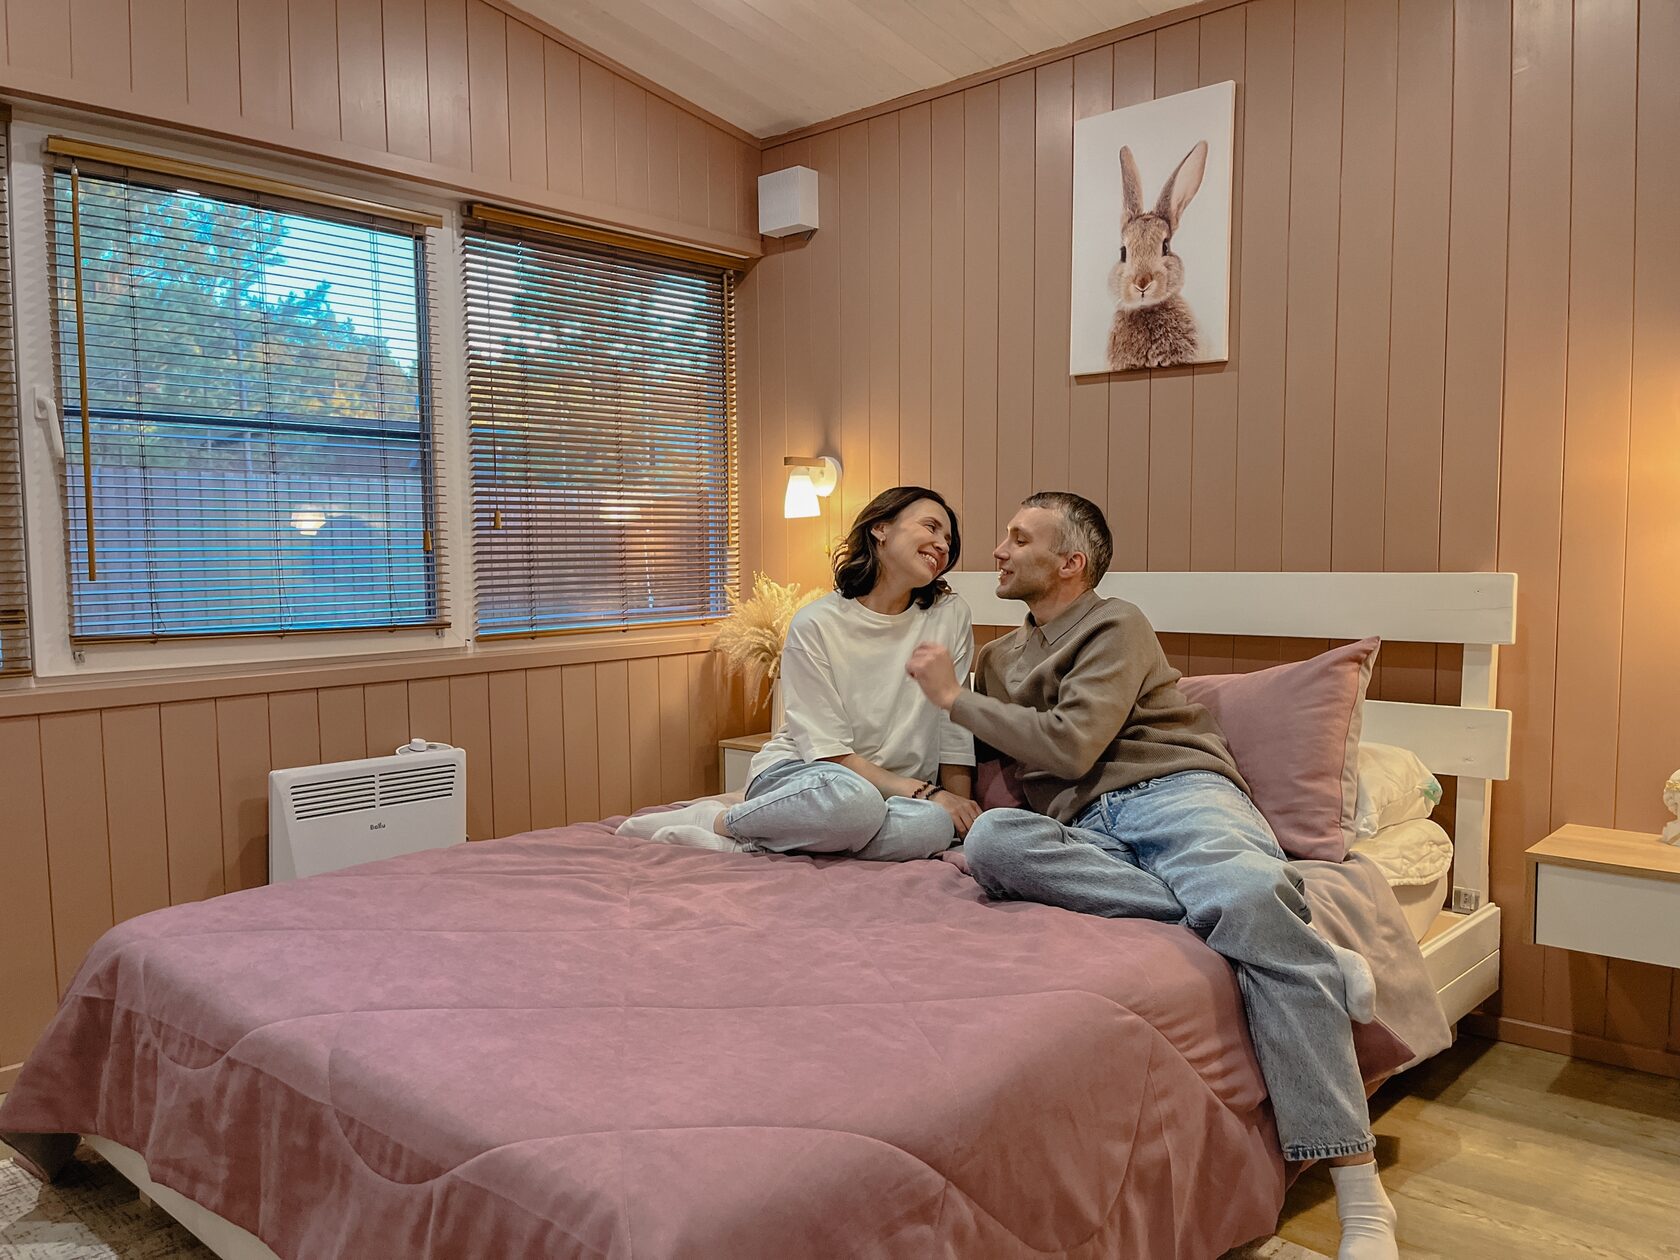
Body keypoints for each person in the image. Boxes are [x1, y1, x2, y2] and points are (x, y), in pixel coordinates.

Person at [905, 491, 1398, 1260]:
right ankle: (1304, 949)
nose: (997, 551)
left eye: (1019, 538)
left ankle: (1359, 1189)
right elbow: (986, 753)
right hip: (1084, 827)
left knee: (1246, 891)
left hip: (1176, 793)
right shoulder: (999, 661)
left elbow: (1070, 744)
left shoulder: (1116, 624)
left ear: (1070, 563)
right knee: (995, 841)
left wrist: (951, 697)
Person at [617, 486, 979, 859]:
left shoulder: (950, 615)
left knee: (932, 827)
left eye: (949, 540)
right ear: (881, 529)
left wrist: (959, 815)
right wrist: (928, 792)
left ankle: (753, 842)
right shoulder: (817, 623)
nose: (942, 545)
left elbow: (952, 726)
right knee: (855, 803)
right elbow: (829, 754)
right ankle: (719, 821)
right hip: (807, 775)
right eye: (931, 527)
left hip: (895, 794)